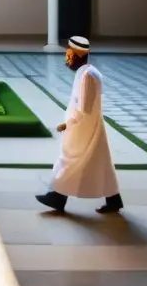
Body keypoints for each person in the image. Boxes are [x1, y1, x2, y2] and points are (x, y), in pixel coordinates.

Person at [35, 36, 123, 215]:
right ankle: (113, 200)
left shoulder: (87, 76)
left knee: (70, 160)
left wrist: (67, 124)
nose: (67, 58)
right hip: (88, 126)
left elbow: (84, 108)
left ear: (77, 55)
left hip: (83, 128)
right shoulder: (87, 72)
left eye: (69, 54)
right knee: (99, 163)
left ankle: (57, 197)